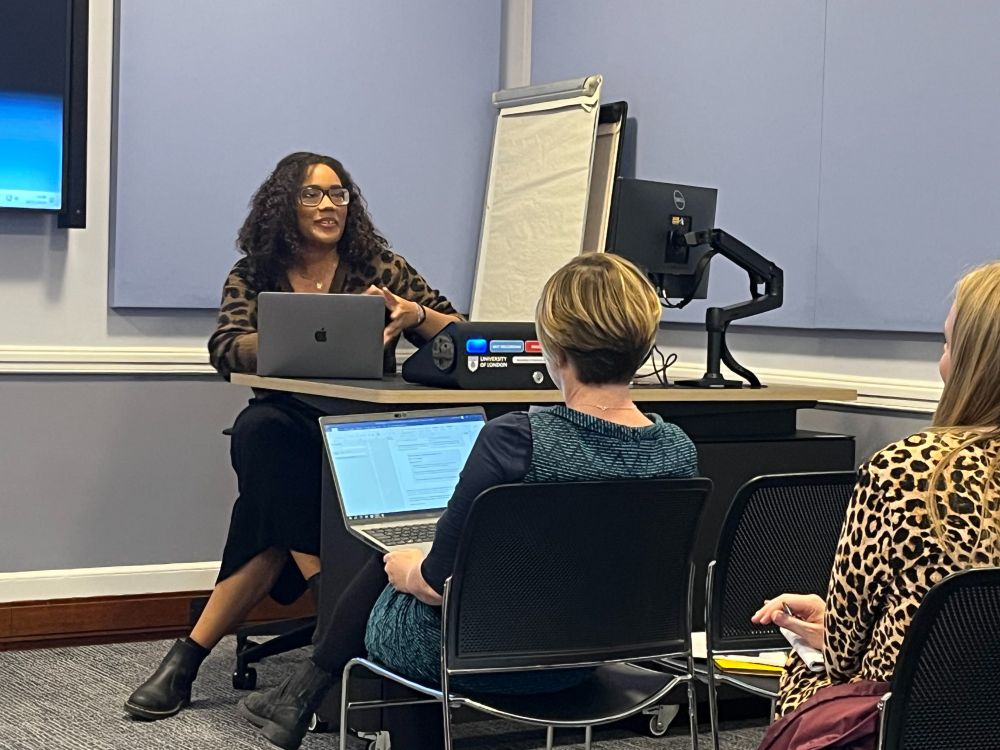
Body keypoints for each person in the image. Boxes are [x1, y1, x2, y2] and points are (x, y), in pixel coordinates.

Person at [236, 252, 700, 750]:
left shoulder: (515, 439)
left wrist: (407, 567)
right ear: (647, 343)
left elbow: (436, 586)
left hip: (476, 656)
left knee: (393, 557)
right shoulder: (678, 450)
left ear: (552, 346)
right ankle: (297, 695)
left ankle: (302, 694)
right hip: (587, 658)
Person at [124, 152, 462, 721]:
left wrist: (414, 315)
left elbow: (460, 330)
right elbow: (225, 348)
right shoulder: (255, 273)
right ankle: (330, 609)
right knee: (263, 432)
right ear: (286, 205)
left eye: (338, 194)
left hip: (360, 426)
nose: (328, 206)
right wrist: (289, 337)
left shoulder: (379, 266)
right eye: (312, 195)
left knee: (264, 506)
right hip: (284, 421)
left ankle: (188, 655)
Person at [752, 261, 1000, 720]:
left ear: (975, 365)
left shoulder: (905, 471)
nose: (941, 361)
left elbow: (846, 657)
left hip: (911, 717)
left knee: (809, 673)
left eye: (947, 344)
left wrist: (832, 625)